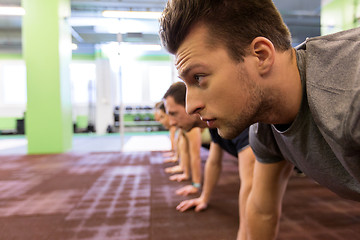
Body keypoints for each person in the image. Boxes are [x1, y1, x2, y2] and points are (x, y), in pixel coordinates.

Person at [159, 1, 360, 240]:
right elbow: (261, 211)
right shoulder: (264, 130)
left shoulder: (349, 98)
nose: (191, 106)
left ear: (261, 56)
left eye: (199, 77)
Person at [163, 82, 256, 239]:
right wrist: (203, 198)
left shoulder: (235, 121)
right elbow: (213, 162)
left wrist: (243, 234)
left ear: (189, 104)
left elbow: (250, 185)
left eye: (173, 113)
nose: (171, 122)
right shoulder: (213, 124)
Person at [163, 84, 203, 195]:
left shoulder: (192, 126)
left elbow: (196, 156)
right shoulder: (185, 126)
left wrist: (196, 184)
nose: (171, 122)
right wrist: (184, 170)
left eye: (173, 113)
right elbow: (183, 149)